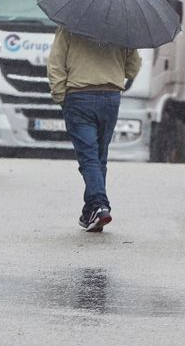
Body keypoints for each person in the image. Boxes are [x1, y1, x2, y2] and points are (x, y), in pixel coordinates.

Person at [47, 25, 141, 232]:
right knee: (99, 157)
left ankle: (99, 204)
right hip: (110, 98)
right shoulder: (122, 27)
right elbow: (133, 68)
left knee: (89, 157)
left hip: (79, 96)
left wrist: (60, 96)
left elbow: (55, 63)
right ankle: (91, 211)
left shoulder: (70, 24)